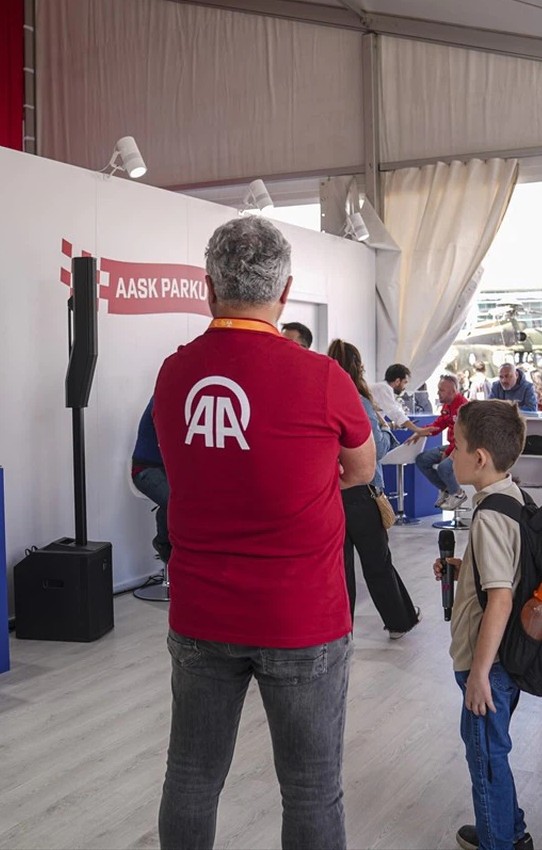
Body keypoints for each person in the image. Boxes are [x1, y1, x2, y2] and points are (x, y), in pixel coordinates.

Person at [153, 216, 375, 850]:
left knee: (191, 777)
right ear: (285, 293)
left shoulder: (174, 375)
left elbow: (184, 466)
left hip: (200, 612)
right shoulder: (321, 377)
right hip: (299, 615)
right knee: (310, 789)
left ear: (207, 287)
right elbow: (359, 471)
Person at [432, 399, 534, 850]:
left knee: (486, 758)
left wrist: (477, 674)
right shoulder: (509, 495)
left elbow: (501, 600)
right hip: (504, 661)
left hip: (485, 663)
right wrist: (464, 565)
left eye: (456, 445)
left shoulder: (489, 515)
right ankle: (510, 830)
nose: (450, 452)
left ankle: (498, 841)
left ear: (479, 458)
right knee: (494, 750)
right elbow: (505, 572)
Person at [327, 340, 420, 638]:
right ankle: (399, 621)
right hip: (362, 493)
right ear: (359, 368)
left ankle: (342, 630)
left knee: (339, 568)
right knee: (377, 562)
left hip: (331, 493)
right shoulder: (359, 401)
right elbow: (376, 449)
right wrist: (382, 426)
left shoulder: (321, 397)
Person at [413, 374, 469, 511]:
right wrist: (420, 431)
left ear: (452, 391)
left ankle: (458, 494)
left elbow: (464, 437)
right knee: (421, 459)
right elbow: (438, 426)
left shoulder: (464, 408)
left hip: (464, 447)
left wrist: (449, 453)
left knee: (444, 467)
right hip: (452, 446)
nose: (438, 392)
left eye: (441, 390)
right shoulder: (446, 406)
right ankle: (447, 490)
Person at [131, 396, 170, 563]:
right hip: (145, 470)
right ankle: (164, 544)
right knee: (177, 503)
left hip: (166, 471)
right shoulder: (161, 401)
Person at [373, 363, 418, 430]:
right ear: (397, 381)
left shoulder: (383, 388)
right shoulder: (384, 388)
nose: (404, 387)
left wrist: (396, 425)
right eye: (405, 382)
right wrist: (417, 429)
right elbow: (394, 411)